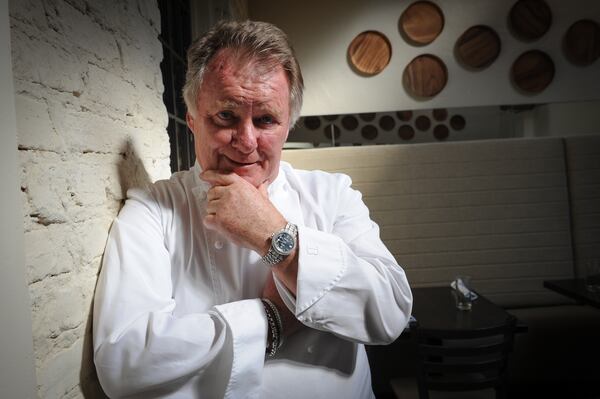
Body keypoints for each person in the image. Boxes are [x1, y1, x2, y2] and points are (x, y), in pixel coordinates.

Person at [93, 20, 412, 398]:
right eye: (225, 117)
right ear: (193, 120)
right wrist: (271, 319)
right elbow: (124, 364)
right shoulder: (153, 209)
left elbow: (391, 313)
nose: (246, 142)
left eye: (265, 120)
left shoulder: (333, 194)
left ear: (287, 126)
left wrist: (277, 239)